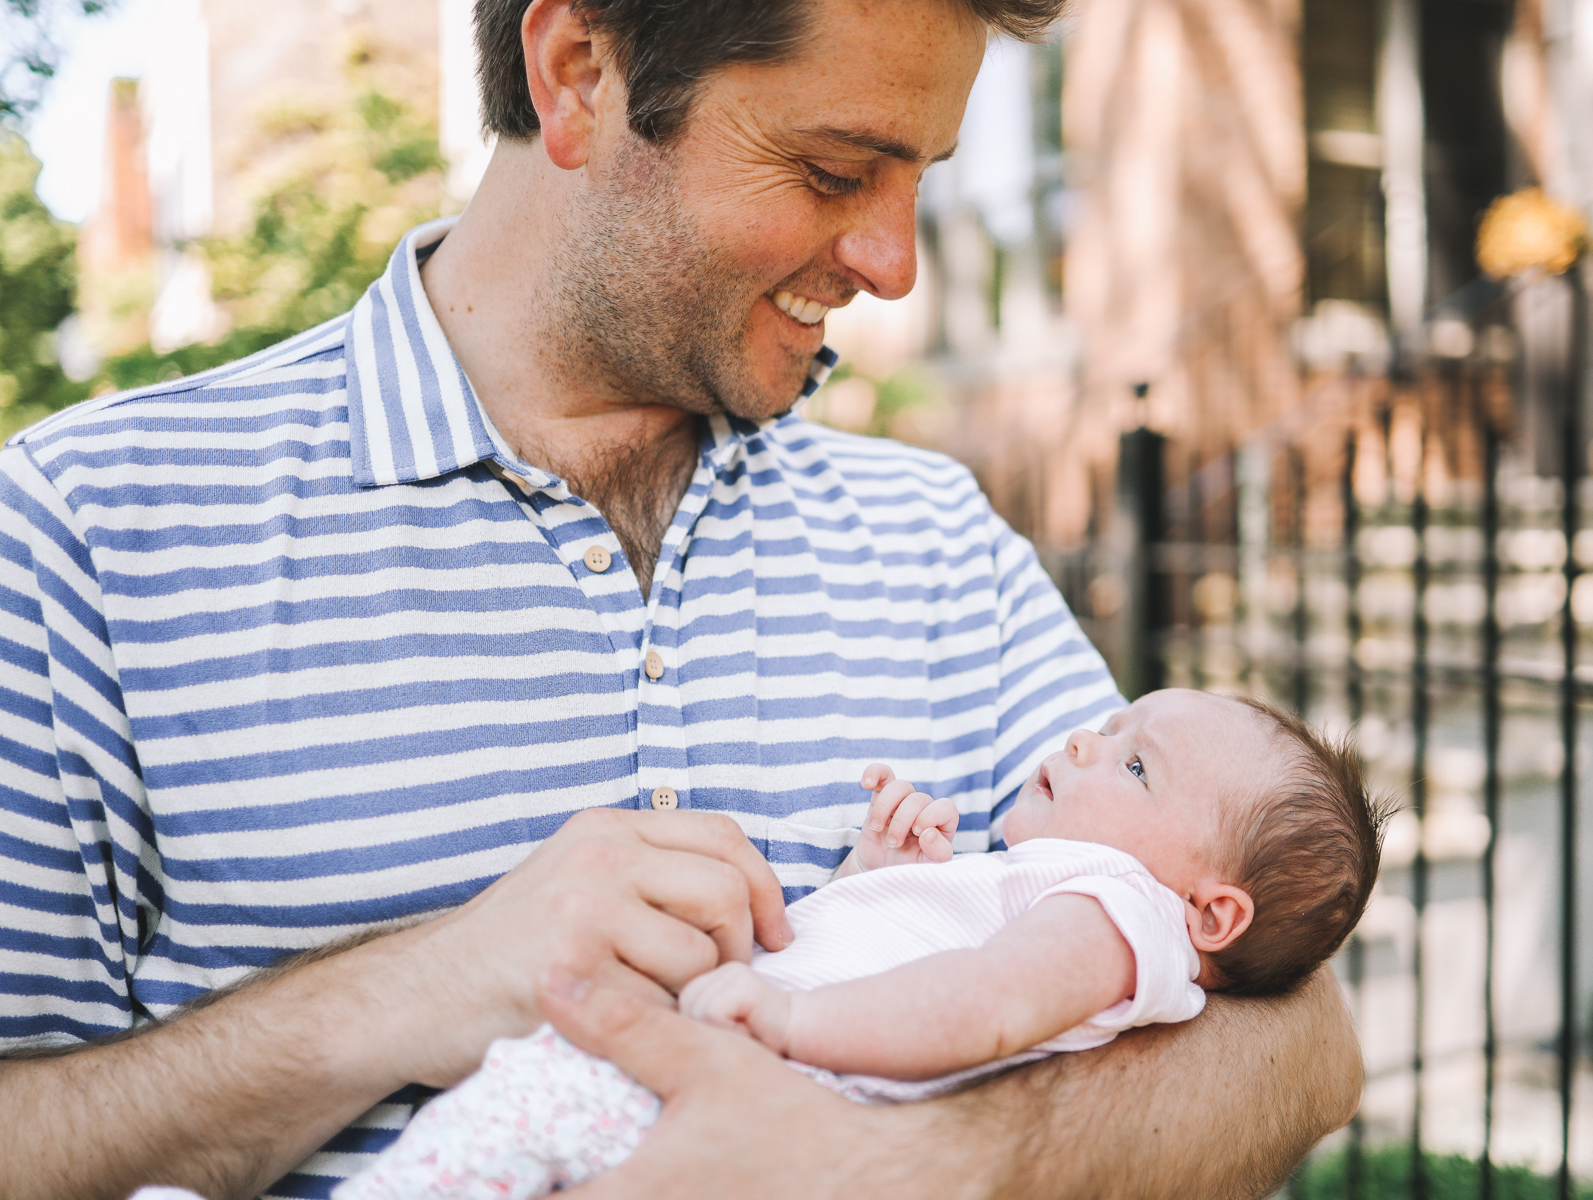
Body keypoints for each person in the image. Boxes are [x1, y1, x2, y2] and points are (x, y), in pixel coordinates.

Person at [0, 0, 1363, 1197]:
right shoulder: (89, 533)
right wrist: (407, 991)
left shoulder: (936, 538)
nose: (894, 264)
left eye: (919, 184)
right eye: (836, 170)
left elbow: (1293, 1036)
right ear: (580, 71)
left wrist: (916, 1170)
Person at [334, 690, 1388, 1200]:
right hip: (704, 1083)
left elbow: (988, 1007)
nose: (1083, 742)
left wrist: (795, 1017)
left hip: (734, 1092)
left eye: (1137, 768)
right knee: (489, 1149)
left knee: (489, 1142)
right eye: (1111, 727)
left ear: (1212, 917)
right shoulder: (1039, 886)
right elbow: (883, 951)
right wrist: (876, 876)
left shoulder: (1119, 910)